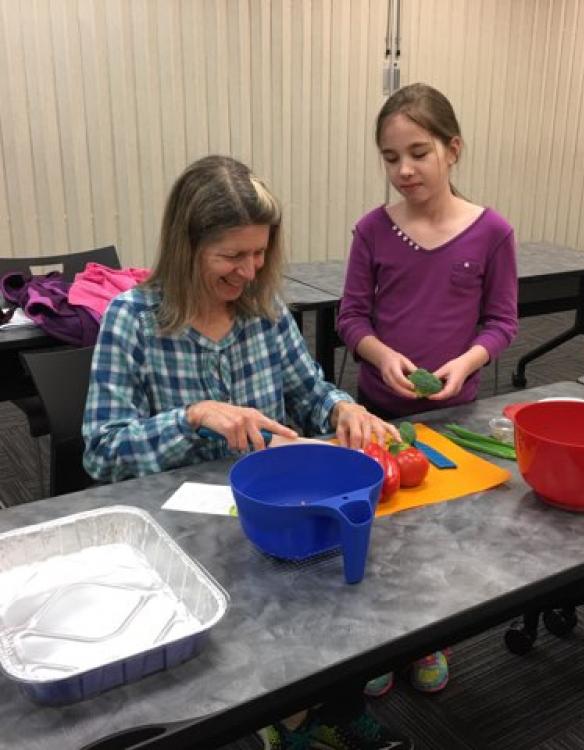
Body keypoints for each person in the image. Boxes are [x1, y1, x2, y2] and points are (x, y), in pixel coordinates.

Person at [83, 155, 412, 750]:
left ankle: (330, 706)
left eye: (259, 253)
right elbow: (102, 453)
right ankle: (281, 715)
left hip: (276, 510)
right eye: (231, 256)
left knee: (342, 584)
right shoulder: (132, 320)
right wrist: (192, 417)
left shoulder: (264, 310)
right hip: (185, 532)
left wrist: (343, 409)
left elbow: (312, 392)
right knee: (247, 632)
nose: (250, 270)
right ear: (187, 248)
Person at [337, 83, 519, 697]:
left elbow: (501, 322)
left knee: (442, 534)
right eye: (390, 158)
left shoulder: (491, 232)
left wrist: (467, 363)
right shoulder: (372, 231)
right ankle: (379, 641)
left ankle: (431, 636)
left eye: (418, 152)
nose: (404, 170)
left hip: (450, 412)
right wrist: (382, 355)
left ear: (453, 149)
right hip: (377, 415)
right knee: (381, 532)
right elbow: (351, 319)